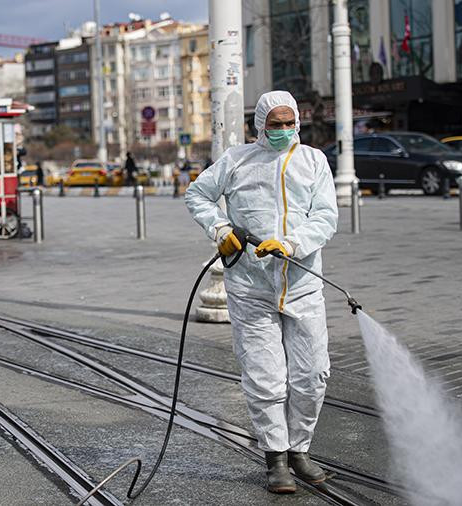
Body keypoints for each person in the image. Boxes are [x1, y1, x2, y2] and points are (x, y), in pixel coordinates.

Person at [185, 91, 338, 494]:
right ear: (260, 125)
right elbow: (197, 195)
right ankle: (276, 459)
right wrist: (221, 230)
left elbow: (325, 216)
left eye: (289, 123)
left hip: (303, 285)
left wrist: (291, 243)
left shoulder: (313, 162)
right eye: (275, 124)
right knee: (266, 379)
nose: (283, 130)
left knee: (313, 374)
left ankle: (299, 449)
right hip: (251, 288)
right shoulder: (237, 161)